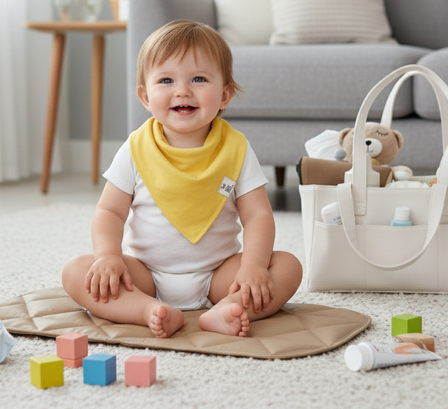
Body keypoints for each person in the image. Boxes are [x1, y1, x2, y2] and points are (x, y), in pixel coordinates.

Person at [62, 19, 303, 338]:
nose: (182, 90)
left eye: (199, 79)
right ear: (145, 97)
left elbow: (257, 215)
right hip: (145, 278)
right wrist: (108, 256)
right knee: (76, 272)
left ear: (225, 94)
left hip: (220, 274)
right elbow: (110, 211)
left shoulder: (236, 149)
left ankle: (228, 309)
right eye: (166, 80)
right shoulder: (135, 148)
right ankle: (146, 310)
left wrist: (253, 267)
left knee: (288, 266)